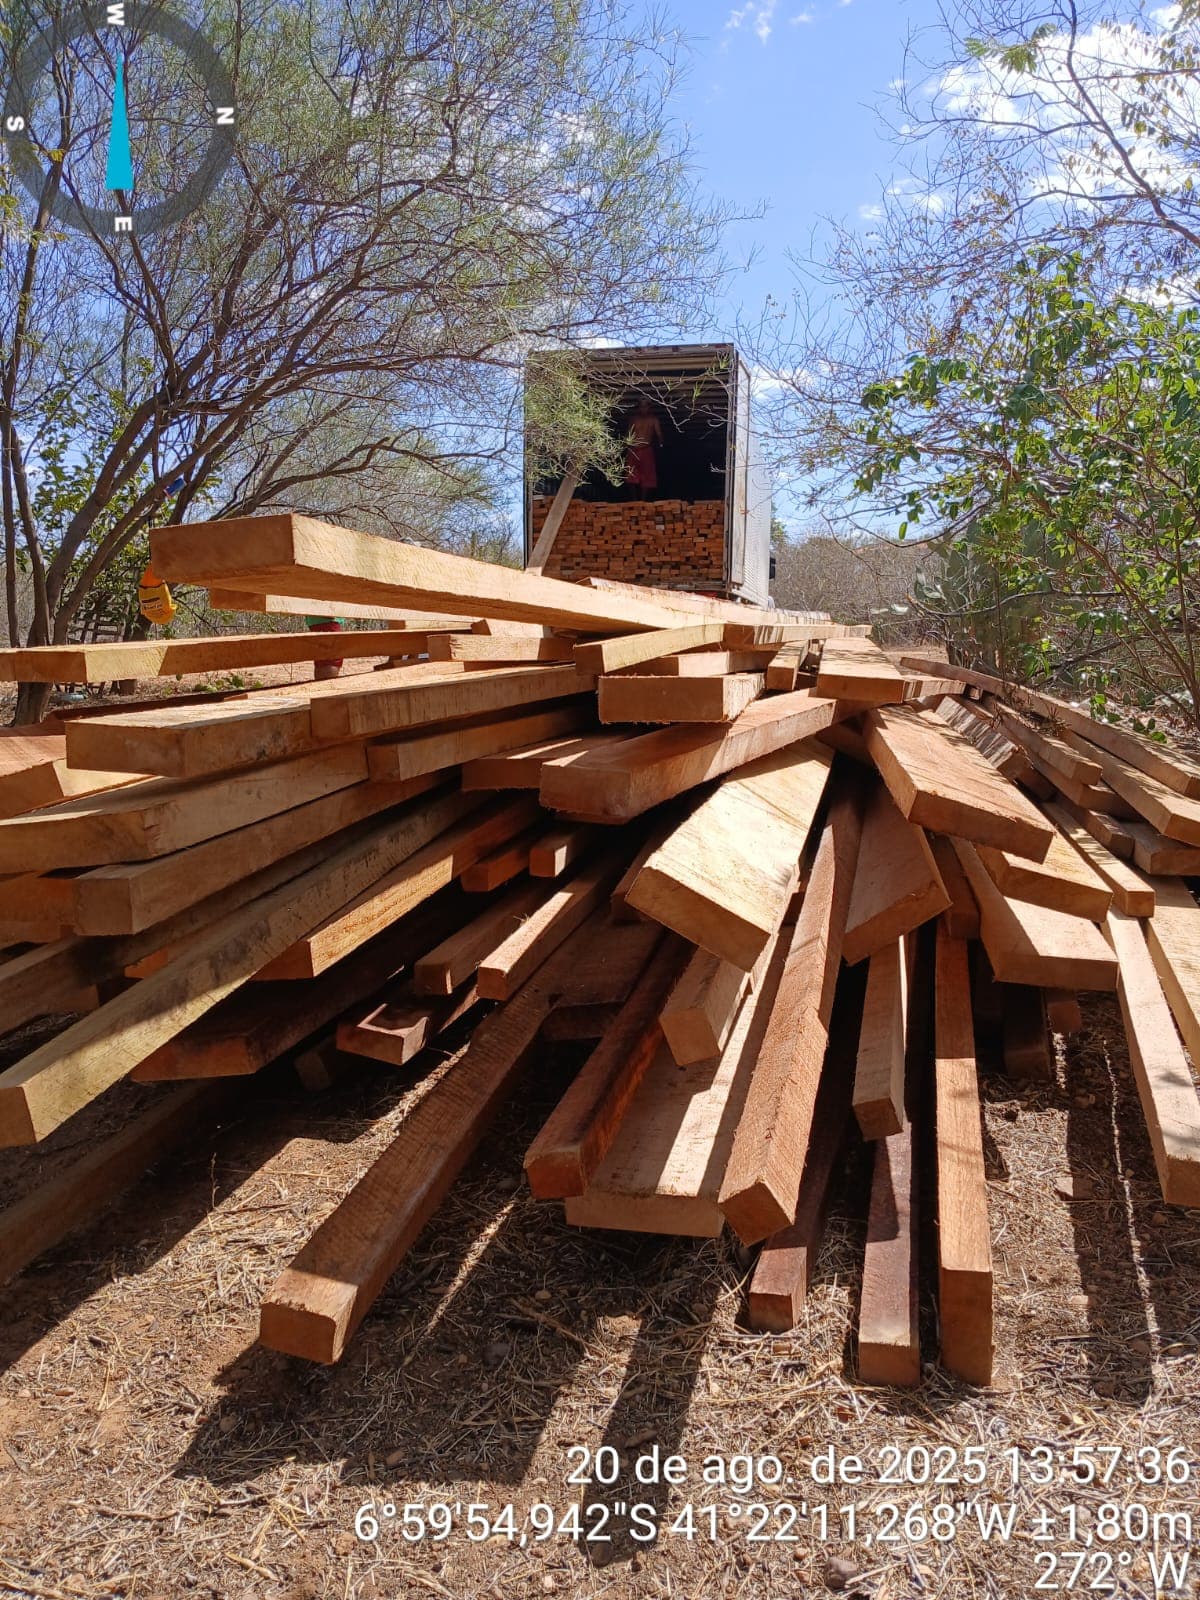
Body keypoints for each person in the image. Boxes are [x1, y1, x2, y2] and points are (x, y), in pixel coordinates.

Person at [625, 397, 663, 498]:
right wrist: (627, 446)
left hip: (646, 449)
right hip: (633, 449)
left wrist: (661, 445)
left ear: (649, 407)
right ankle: (634, 500)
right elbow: (628, 434)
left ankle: (643, 500)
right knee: (631, 475)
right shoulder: (633, 419)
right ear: (638, 407)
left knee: (647, 475)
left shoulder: (654, 419)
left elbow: (659, 434)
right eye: (641, 406)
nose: (643, 408)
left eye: (645, 406)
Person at [306, 615, 345, 680]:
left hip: (323, 620)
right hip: (327, 619)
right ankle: (328, 685)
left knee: (324, 659)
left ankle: (322, 685)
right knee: (331, 659)